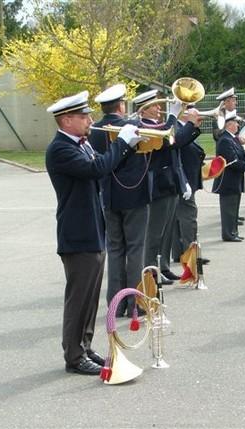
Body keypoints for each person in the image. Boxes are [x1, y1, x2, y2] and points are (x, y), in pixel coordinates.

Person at [45, 90, 143, 375]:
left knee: (90, 298)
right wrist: (122, 142)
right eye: (83, 115)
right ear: (66, 121)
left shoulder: (81, 144)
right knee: (78, 299)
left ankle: (84, 347)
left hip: (92, 230)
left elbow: (105, 164)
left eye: (88, 114)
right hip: (77, 233)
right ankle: (74, 356)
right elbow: (97, 168)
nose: (90, 119)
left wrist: (129, 146)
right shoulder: (61, 149)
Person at [88, 84, 150, 318]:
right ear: (121, 106)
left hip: (109, 196)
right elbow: (163, 135)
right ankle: (135, 302)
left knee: (115, 250)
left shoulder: (94, 129)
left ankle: (115, 303)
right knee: (135, 249)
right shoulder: (130, 126)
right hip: (133, 196)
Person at [134, 90, 202, 282]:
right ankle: (150, 273)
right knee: (155, 233)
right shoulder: (144, 126)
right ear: (144, 110)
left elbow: (177, 144)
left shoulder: (157, 125)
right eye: (154, 106)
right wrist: (177, 117)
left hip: (170, 183)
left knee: (166, 231)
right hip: (158, 185)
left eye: (158, 105)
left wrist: (193, 127)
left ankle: (162, 267)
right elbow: (171, 140)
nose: (158, 108)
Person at [212, 111, 245, 242]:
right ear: (229, 125)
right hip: (227, 181)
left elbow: (241, 155)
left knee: (234, 209)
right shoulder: (224, 141)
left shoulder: (232, 138)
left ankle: (233, 232)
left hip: (235, 180)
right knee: (228, 209)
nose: (238, 126)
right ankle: (228, 234)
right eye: (236, 123)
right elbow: (232, 162)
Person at [172, 107, 208, 263]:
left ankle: (182, 253)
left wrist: (194, 127)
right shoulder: (178, 129)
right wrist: (192, 127)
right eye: (194, 113)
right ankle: (190, 254)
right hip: (183, 180)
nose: (197, 115)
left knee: (180, 218)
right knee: (189, 218)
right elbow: (182, 145)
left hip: (187, 179)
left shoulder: (184, 129)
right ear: (185, 115)